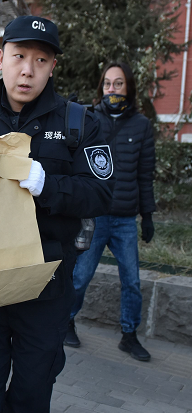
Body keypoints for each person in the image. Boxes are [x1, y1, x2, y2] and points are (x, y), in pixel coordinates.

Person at [0, 16, 114, 413]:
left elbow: (100, 193)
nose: (27, 69)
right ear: (1, 59)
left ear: (52, 67)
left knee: (32, 391)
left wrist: (47, 184)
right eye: (19, 56)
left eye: (40, 59)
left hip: (44, 283)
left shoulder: (78, 122)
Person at [64, 61, 155, 362]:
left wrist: (148, 215)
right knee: (81, 275)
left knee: (132, 281)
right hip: (95, 216)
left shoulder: (141, 125)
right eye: (107, 84)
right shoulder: (90, 119)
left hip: (126, 219)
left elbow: (145, 174)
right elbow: (74, 162)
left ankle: (129, 336)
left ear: (128, 87)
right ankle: (67, 321)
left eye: (118, 84)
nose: (111, 89)